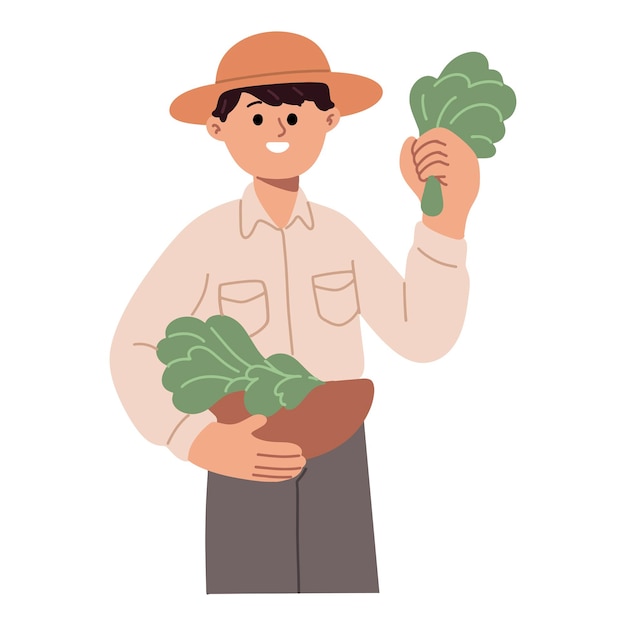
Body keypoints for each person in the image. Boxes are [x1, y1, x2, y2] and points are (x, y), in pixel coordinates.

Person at [110, 31, 478, 594]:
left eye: (295, 115)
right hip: (242, 447)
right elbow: (132, 347)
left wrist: (444, 225)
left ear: (328, 121)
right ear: (218, 129)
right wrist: (195, 438)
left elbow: (421, 337)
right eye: (257, 118)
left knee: (346, 592)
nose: (278, 129)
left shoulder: (341, 236)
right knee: (247, 595)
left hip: (342, 452)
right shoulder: (205, 240)